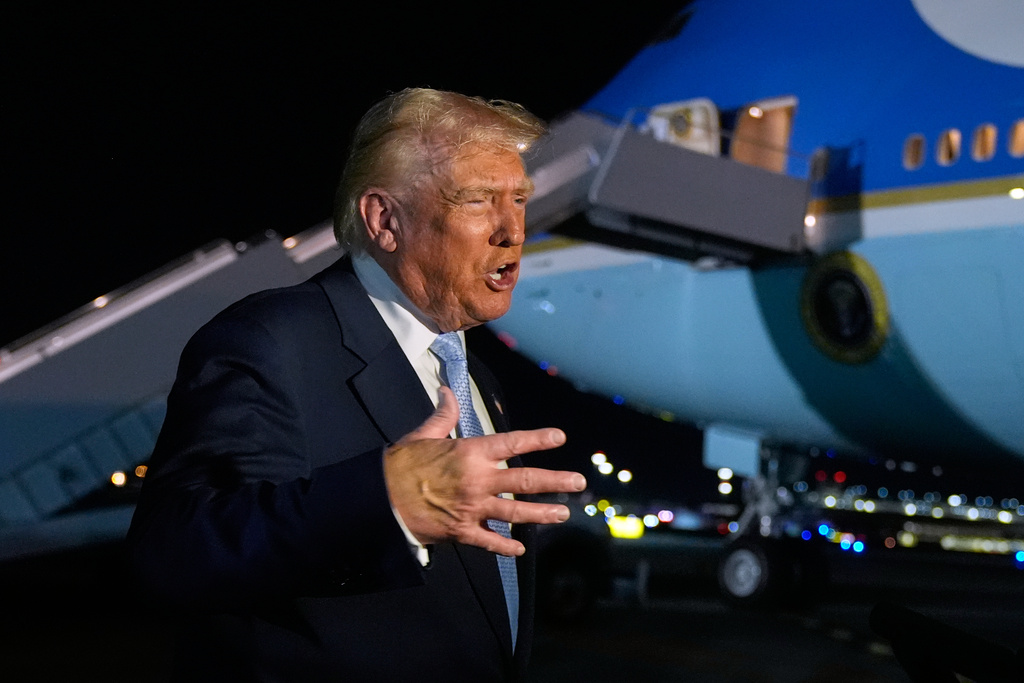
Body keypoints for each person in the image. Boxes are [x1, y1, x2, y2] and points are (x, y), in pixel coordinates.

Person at [127, 87, 587, 682]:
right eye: (478, 200)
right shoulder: (270, 339)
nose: (513, 231)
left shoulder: (477, 376)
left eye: (519, 198)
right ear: (384, 220)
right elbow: (173, 555)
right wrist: (387, 503)